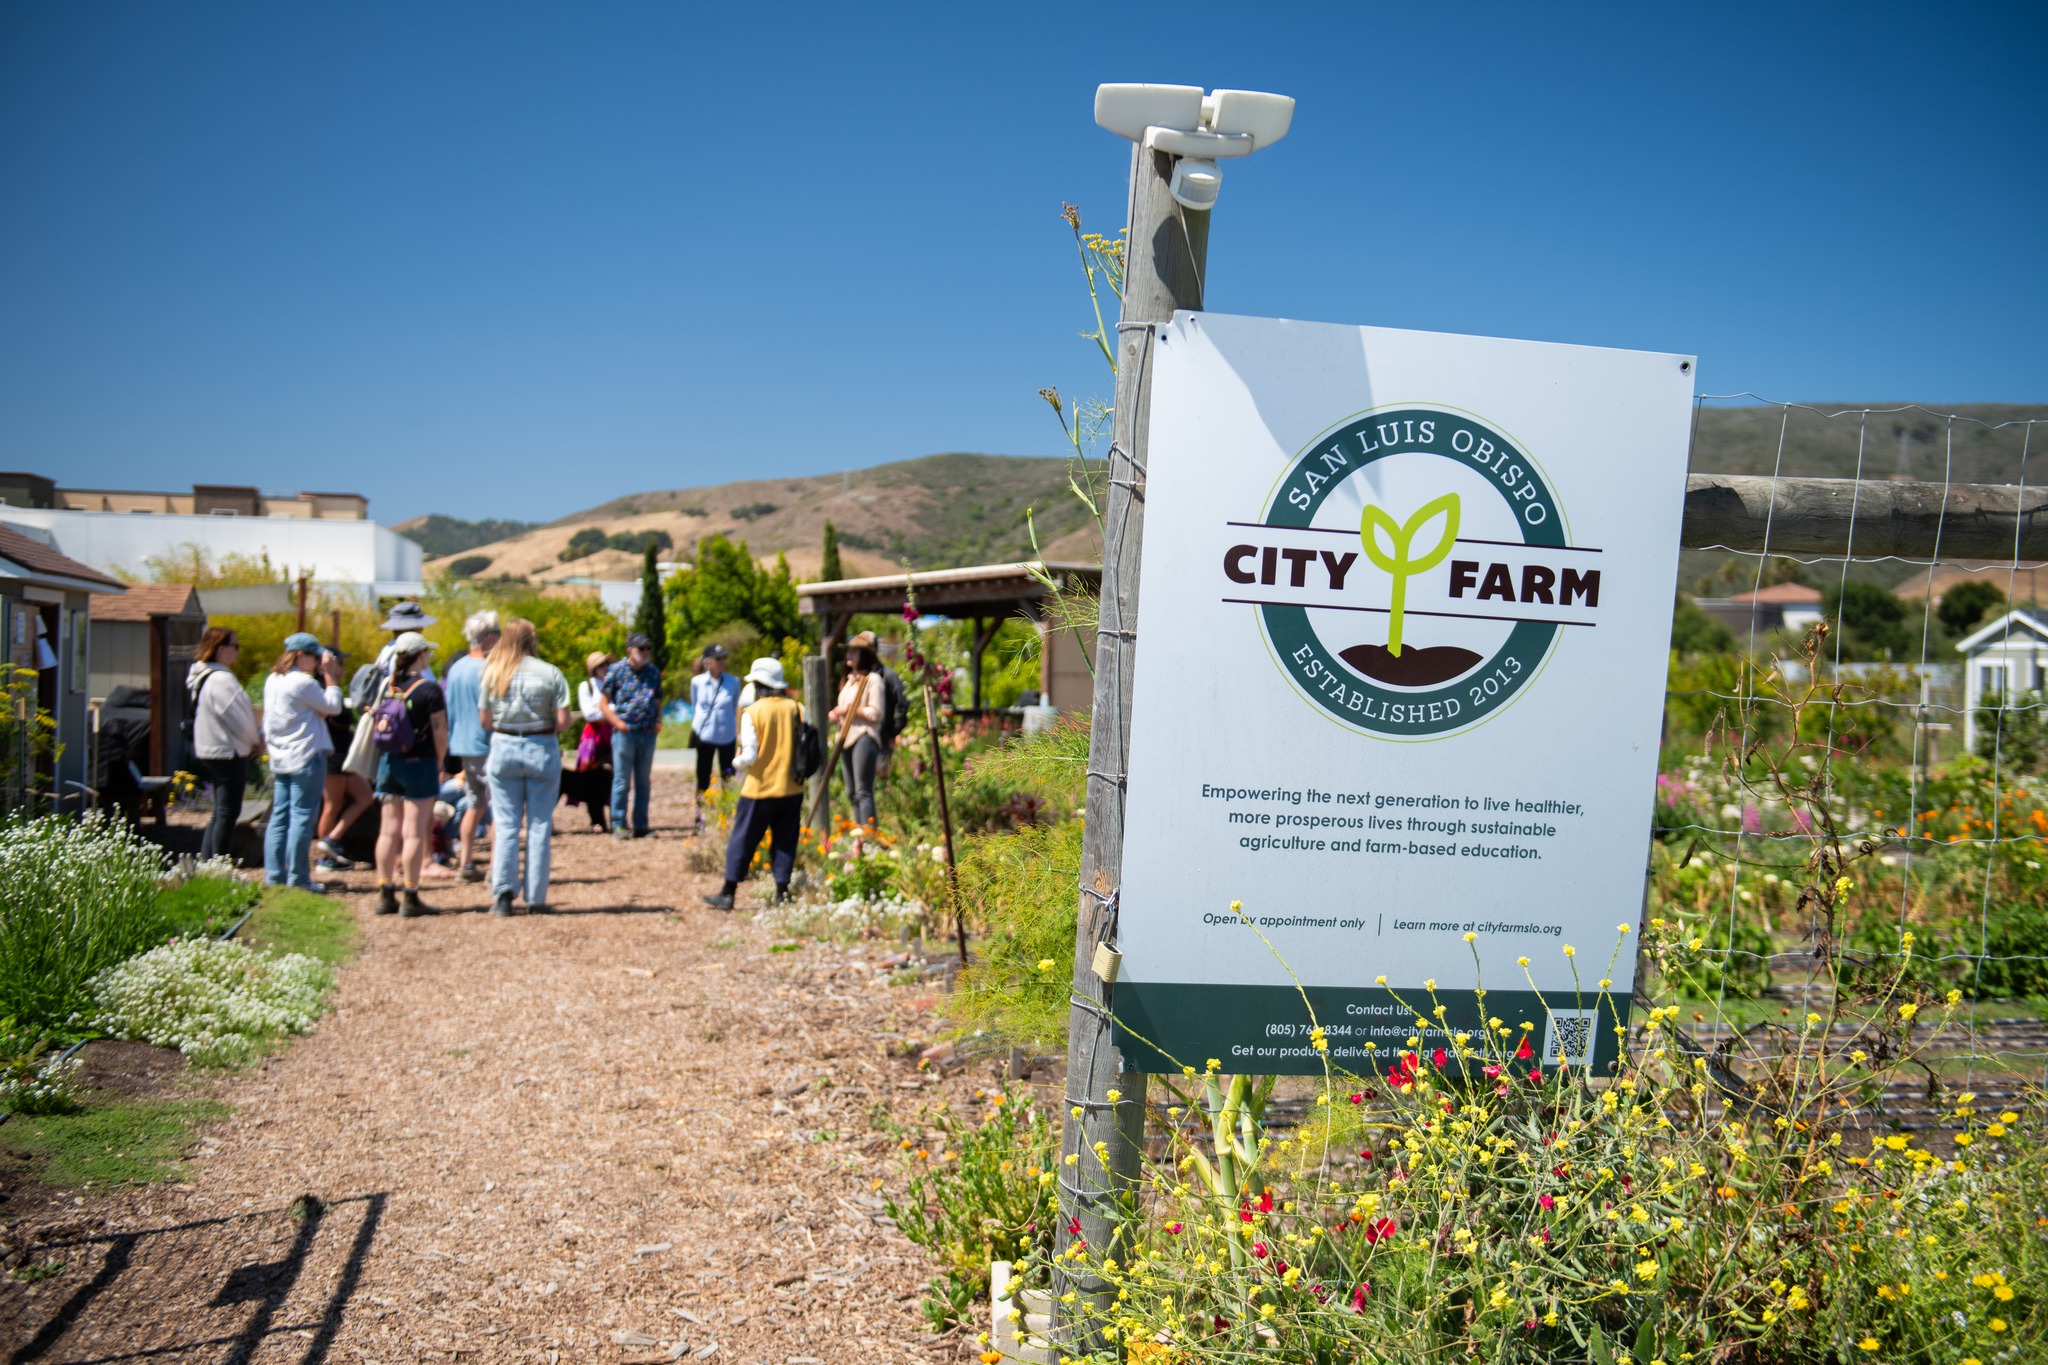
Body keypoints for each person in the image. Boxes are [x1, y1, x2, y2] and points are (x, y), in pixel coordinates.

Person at [480, 618, 572, 916]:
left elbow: (485, 720)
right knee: (539, 824)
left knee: (506, 824)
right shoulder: (551, 674)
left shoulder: (493, 672)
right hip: (541, 749)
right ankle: (536, 897)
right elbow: (562, 722)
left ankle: (504, 895)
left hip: (504, 748)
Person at [704, 657, 805, 910]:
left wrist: (734, 764)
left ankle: (728, 892)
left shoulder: (754, 712)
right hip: (791, 787)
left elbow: (750, 755)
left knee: (743, 840)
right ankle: (782, 892)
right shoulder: (797, 708)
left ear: (759, 684)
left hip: (759, 788)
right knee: (784, 840)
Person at [370, 632, 447, 917]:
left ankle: (385, 891)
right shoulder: (429, 690)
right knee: (413, 832)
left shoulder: (388, 686)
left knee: (388, 830)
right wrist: (440, 762)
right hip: (420, 762)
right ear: (422, 655)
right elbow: (439, 731)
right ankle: (411, 895)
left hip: (389, 762)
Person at [262, 632, 345, 891]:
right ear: (301, 655)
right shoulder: (303, 682)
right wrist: (330, 678)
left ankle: (275, 877)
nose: (319, 661)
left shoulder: (273, 679)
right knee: (301, 818)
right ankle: (298, 879)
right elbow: (333, 707)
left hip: (281, 756)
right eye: (315, 656)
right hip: (306, 756)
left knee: (279, 817)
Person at [187, 627, 261, 862]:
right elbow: (238, 718)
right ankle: (217, 866)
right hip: (226, 751)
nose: (237, 651)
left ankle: (209, 863)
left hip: (213, 749)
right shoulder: (221, 679)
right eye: (235, 646)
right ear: (220, 649)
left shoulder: (204, 675)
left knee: (220, 812)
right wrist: (255, 740)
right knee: (227, 812)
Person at [441, 610, 500, 882]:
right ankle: (496, 868)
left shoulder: (455, 668)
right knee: (499, 808)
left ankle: (465, 863)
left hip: (462, 744)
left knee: (475, 804)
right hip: (486, 744)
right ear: (489, 637)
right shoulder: (489, 668)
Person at [598, 632, 665, 840]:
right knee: (621, 780)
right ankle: (618, 824)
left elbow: (657, 700)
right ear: (630, 651)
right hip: (625, 734)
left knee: (643, 781)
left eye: (648, 648)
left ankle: (641, 825)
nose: (645, 652)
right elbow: (603, 703)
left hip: (647, 733)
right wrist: (618, 723)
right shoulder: (616, 670)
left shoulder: (653, 672)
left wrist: (658, 721)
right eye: (641, 649)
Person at [313, 647, 374, 871]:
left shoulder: (333, 689)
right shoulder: (321, 689)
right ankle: (324, 858)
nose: (343, 668)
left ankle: (332, 840)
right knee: (332, 805)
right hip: (333, 755)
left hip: (343, 755)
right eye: (340, 663)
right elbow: (330, 713)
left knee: (365, 796)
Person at [830, 640, 885, 827]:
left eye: (854, 651)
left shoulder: (873, 680)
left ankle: (870, 836)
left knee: (863, 791)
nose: (849, 654)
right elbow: (844, 710)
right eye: (848, 651)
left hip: (863, 735)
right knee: (851, 792)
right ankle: (859, 836)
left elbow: (876, 713)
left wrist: (849, 710)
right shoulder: (847, 682)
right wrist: (837, 714)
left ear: (865, 655)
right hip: (844, 738)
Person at [687, 644, 740, 830]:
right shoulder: (697, 682)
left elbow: (734, 706)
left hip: (727, 735)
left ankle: (727, 817)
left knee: (728, 777)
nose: (722, 662)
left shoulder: (734, 682)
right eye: (718, 659)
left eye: (723, 658)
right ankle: (700, 818)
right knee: (703, 777)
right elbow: (696, 706)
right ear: (707, 662)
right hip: (705, 735)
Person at [848, 630, 909, 764]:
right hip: (856, 737)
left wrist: (892, 732)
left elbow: (902, 703)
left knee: (880, 779)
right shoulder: (854, 676)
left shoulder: (888, 676)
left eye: (867, 647)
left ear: (875, 649)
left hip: (881, 738)